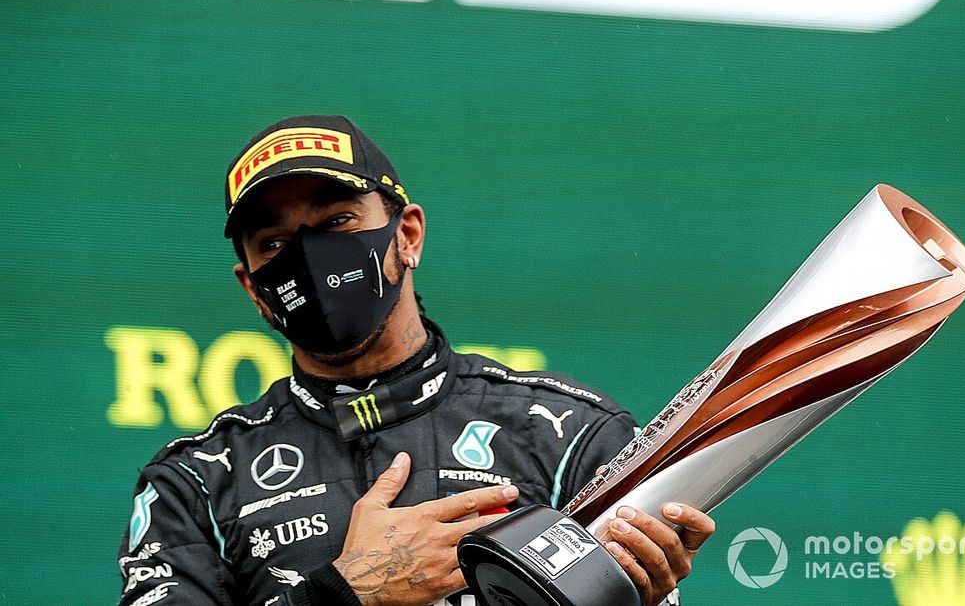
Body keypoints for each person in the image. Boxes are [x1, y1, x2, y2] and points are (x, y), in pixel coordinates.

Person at [117, 115, 716, 606]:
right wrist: (345, 594)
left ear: (407, 236)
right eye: (274, 244)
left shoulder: (568, 437)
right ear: (253, 289)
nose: (308, 258)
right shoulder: (196, 481)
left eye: (337, 222)